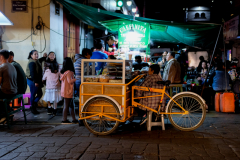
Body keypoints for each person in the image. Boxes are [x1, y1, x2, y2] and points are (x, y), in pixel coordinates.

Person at [26, 50, 46, 114]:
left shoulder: (36, 61)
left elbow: (40, 60)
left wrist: (44, 57)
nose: (37, 55)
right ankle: (33, 107)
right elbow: (33, 73)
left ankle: (33, 105)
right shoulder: (32, 62)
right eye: (35, 54)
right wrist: (36, 82)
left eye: (37, 54)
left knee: (40, 94)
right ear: (31, 55)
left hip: (35, 80)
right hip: (32, 80)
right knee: (33, 94)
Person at [60, 57, 78, 124]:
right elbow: (70, 81)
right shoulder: (69, 73)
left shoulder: (64, 72)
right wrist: (76, 79)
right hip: (68, 92)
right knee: (67, 106)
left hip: (65, 91)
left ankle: (74, 119)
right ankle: (64, 120)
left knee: (70, 105)